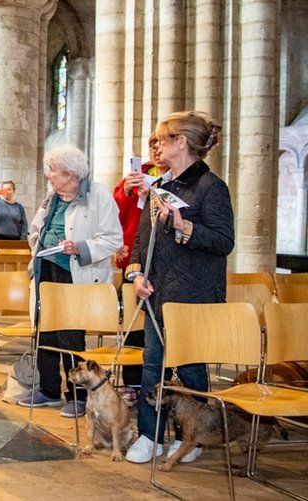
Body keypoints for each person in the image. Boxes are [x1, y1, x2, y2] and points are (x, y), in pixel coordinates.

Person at [124, 112, 233, 464]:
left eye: (162, 140)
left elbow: (223, 241)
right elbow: (142, 240)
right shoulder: (159, 186)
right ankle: (149, 435)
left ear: (181, 142)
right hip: (158, 292)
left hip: (194, 294)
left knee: (189, 368)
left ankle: (195, 438)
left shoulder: (210, 187)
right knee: (152, 365)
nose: (156, 147)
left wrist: (184, 226)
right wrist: (136, 275)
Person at [19, 144, 122, 419]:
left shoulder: (99, 196)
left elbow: (113, 238)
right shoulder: (52, 196)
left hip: (76, 274)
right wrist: (38, 245)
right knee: (45, 331)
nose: (48, 175)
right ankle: (49, 389)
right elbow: (36, 229)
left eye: (52, 170)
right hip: (46, 270)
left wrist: (79, 248)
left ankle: (77, 395)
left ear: (70, 173)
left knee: (70, 336)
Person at [113, 136, 169, 391]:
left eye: (161, 145)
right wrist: (126, 193)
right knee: (136, 324)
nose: (157, 150)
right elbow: (113, 216)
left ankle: (164, 383)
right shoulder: (134, 179)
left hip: (165, 260)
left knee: (163, 321)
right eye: (153, 146)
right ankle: (133, 382)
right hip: (133, 260)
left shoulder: (178, 179)